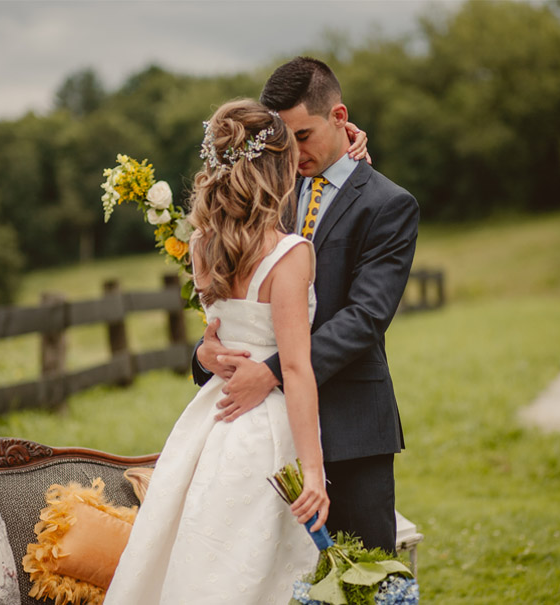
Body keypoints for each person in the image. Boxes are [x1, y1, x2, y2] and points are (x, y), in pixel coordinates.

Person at [104, 99, 329, 604]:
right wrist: (313, 472)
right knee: (254, 572)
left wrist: (208, 354)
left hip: (212, 420)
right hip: (265, 432)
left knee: (204, 560)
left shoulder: (204, 243)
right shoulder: (289, 256)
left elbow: (217, 334)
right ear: (277, 168)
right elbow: (295, 368)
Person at [194, 56, 419, 554]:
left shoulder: (387, 205)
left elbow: (365, 320)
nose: (294, 154)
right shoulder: (266, 192)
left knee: (359, 573)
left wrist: (272, 371)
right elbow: (240, 290)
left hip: (350, 425)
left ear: (340, 118)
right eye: (284, 139)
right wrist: (205, 353)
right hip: (257, 435)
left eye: (304, 136)